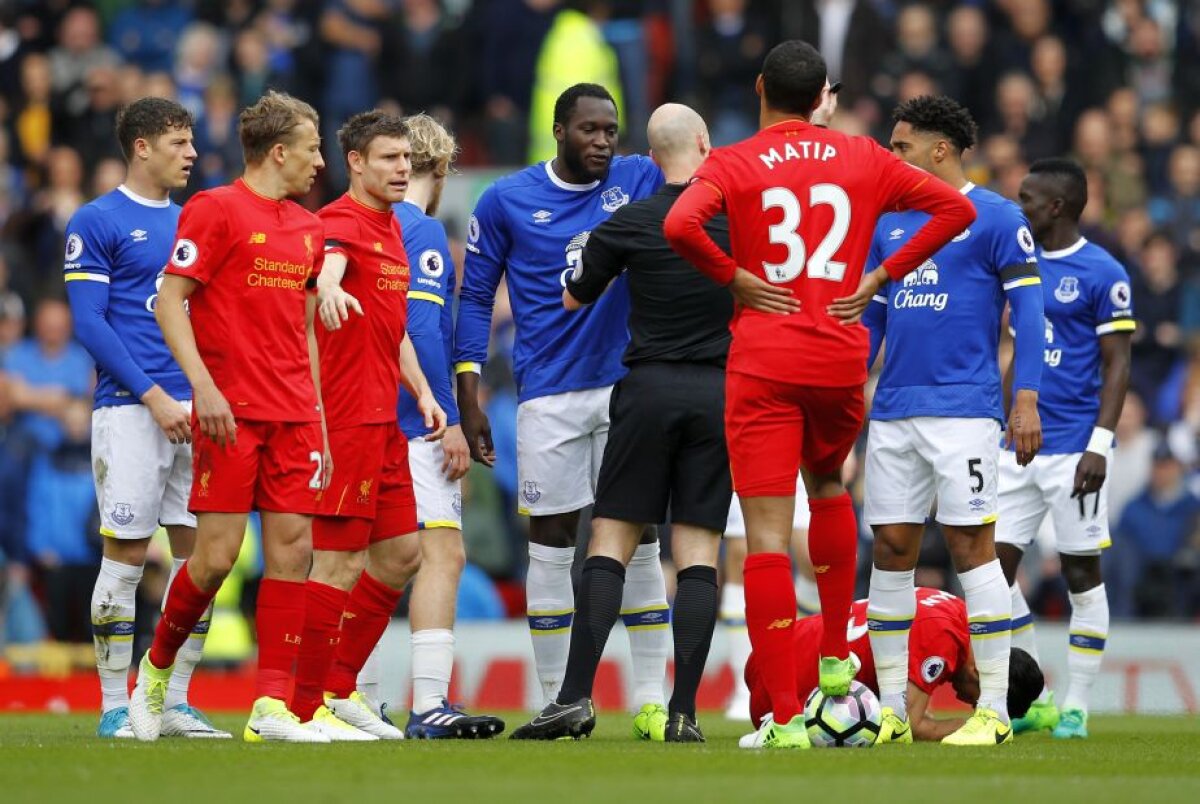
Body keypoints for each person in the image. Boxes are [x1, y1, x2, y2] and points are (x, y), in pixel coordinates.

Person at [663, 40, 976, 749]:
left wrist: (735, 278)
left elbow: (680, 225)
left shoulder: (733, 161)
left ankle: (780, 717)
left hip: (765, 358)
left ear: (762, 88)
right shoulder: (864, 155)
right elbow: (954, 209)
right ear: (821, 95)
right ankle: (836, 665)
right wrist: (881, 276)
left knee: (768, 536)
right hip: (839, 353)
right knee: (830, 484)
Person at [512, 103, 737, 742]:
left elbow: (572, 295)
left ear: (651, 154)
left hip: (645, 390)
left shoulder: (630, 220)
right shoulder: (737, 223)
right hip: (718, 392)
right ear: (703, 142)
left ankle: (574, 698)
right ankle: (683, 712)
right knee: (697, 551)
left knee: (610, 538)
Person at [454, 82, 670, 723]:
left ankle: (651, 700)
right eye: (590, 130)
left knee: (642, 535)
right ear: (558, 130)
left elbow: (700, 162)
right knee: (550, 541)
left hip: (628, 384)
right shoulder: (507, 200)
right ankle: (556, 700)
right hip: (547, 391)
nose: (603, 141)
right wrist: (469, 392)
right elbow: (474, 298)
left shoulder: (640, 176)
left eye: (611, 130)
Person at [128, 91, 329, 743]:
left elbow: (305, 333)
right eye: (311, 148)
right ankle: (154, 673)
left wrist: (320, 422)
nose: (320, 162)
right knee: (214, 560)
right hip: (230, 415)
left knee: (293, 551)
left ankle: (271, 706)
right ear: (279, 152)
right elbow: (168, 301)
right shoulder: (215, 210)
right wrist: (203, 388)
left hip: (294, 414)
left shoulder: (309, 229)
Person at [860, 95, 1045, 747]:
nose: (891, 155)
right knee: (891, 550)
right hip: (893, 412)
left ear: (940, 150)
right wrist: (851, 388)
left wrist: (1025, 397)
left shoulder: (995, 218)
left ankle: (992, 708)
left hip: (965, 410)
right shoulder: (887, 220)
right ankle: (889, 712)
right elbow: (872, 318)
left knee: (973, 548)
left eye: (901, 145)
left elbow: (1028, 314)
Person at [63, 97, 229, 739]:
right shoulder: (97, 219)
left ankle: (173, 700)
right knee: (127, 555)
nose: (191, 153)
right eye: (179, 142)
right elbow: (89, 321)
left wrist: (205, 391)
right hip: (131, 410)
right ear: (141, 146)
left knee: (203, 561)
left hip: (199, 407)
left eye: (190, 142)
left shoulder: (196, 221)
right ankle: (112, 703)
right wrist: (150, 394)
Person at [291, 110, 448, 742]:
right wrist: (326, 288)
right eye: (388, 158)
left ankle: (337, 685)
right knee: (338, 563)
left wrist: (425, 392)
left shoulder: (392, 229)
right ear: (355, 162)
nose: (403, 169)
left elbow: (394, 331)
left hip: (387, 417)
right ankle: (301, 707)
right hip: (346, 417)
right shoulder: (338, 223)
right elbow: (325, 269)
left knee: (402, 555)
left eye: (406, 158)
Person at [998, 157, 1136, 740]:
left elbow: (1118, 363)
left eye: (1027, 198)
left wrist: (1100, 445)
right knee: (988, 574)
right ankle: (1037, 697)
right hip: (1013, 448)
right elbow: (1016, 356)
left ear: (1055, 207)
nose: (1018, 205)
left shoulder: (1103, 272)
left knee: (1082, 574)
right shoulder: (1016, 265)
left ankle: (1077, 705)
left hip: (1073, 450)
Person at [392, 112, 503, 739]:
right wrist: (452, 417)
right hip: (416, 422)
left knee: (378, 558)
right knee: (443, 553)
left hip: (360, 416)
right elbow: (422, 332)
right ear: (441, 167)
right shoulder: (423, 231)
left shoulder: (353, 225)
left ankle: (354, 698)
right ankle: (429, 702)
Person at [743, 588, 1046, 742]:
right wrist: (971, 727)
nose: (967, 704)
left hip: (783, 647)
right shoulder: (942, 640)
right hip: (781, 690)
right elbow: (913, 726)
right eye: (977, 701)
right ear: (981, 672)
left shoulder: (957, 612)